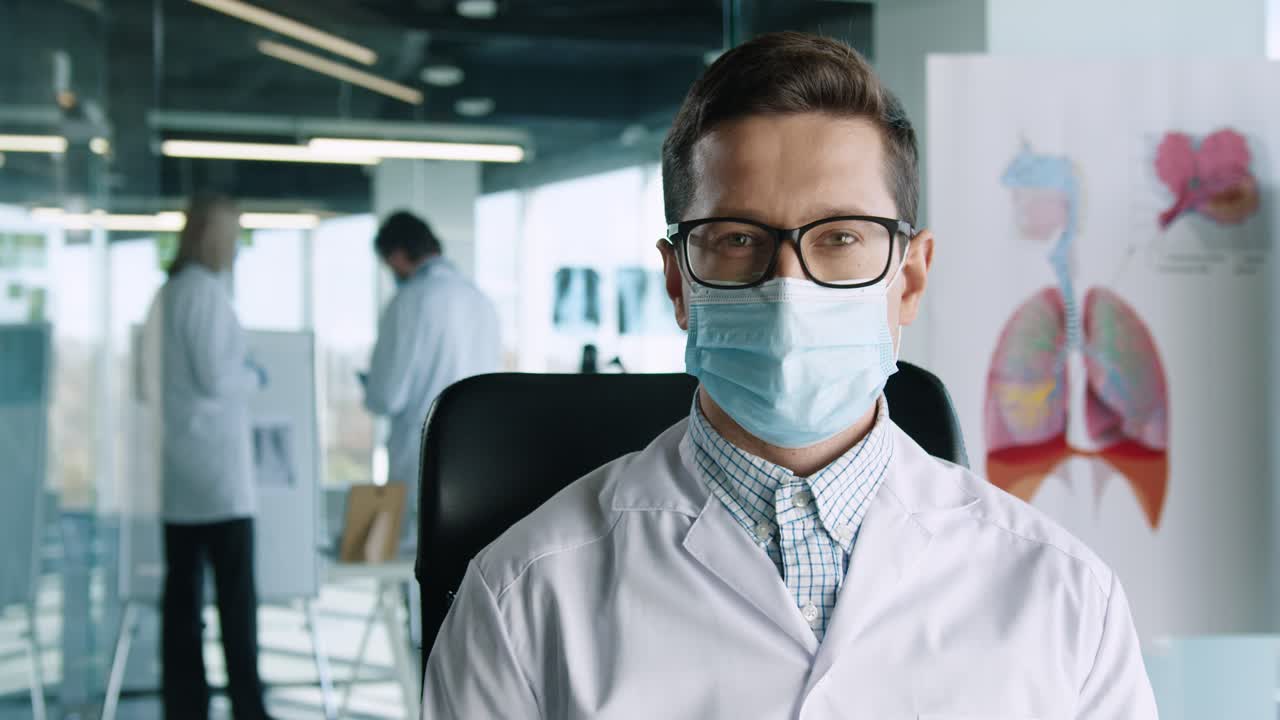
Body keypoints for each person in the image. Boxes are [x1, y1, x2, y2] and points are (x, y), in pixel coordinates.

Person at [422, 32, 1157, 719]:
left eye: (840, 237)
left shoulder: (1063, 595)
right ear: (679, 282)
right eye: (737, 239)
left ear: (909, 278)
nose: (788, 286)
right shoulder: (523, 596)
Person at [141, 193, 273, 720]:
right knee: (236, 601)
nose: (237, 246)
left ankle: (186, 705)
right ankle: (248, 707)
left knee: (182, 600)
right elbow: (219, 377)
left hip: (181, 471)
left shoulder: (167, 294)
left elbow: (146, 383)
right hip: (218, 478)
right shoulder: (206, 295)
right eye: (234, 233)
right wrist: (254, 375)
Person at [362, 211, 500, 517]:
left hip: (421, 451)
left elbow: (387, 395)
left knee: (418, 548)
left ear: (397, 256)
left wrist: (370, 386)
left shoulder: (409, 300)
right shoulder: (480, 300)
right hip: (478, 452)